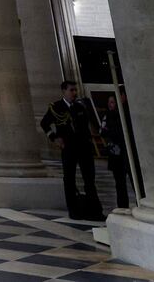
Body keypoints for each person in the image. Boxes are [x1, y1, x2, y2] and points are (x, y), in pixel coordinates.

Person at [42, 80, 104, 221]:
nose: (74, 93)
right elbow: (44, 123)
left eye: (75, 90)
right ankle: (74, 210)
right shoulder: (56, 107)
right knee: (69, 179)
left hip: (84, 147)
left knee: (89, 179)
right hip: (69, 147)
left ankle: (95, 210)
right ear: (64, 91)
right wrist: (54, 137)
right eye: (71, 90)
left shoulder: (80, 107)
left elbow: (85, 127)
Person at [100, 95, 132, 209]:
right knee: (119, 183)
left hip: (124, 152)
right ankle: (122, 206)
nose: (110, 104)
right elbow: (102, 131)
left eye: (112, 102)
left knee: (128, 181)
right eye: (109, 102)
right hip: (115, 154)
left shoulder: (122, 115)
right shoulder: (107, 116)